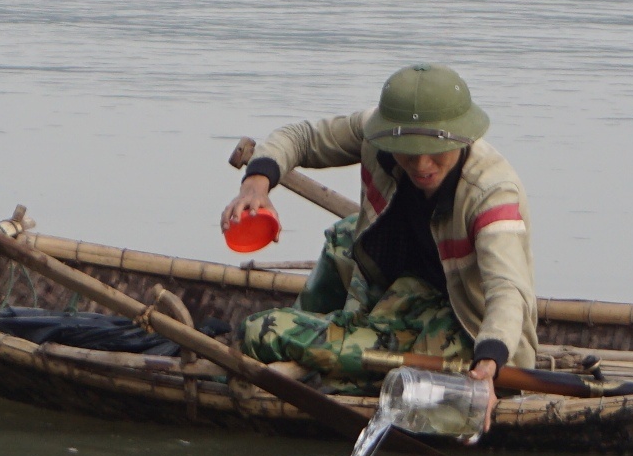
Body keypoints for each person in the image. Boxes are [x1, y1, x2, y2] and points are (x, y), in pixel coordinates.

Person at [220, 63, 538, 424]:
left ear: (461, 137)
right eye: (408, 151)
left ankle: (327, 355)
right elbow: (302, 137)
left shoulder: (492, 193)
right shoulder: (376, 132)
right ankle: (324, 329)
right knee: (344, 234)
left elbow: (508, 290)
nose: (421, 164)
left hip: (461, 325)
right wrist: (256, 185)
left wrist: (489, 362)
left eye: (435, 150)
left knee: (259, 331)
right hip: (397, 291)